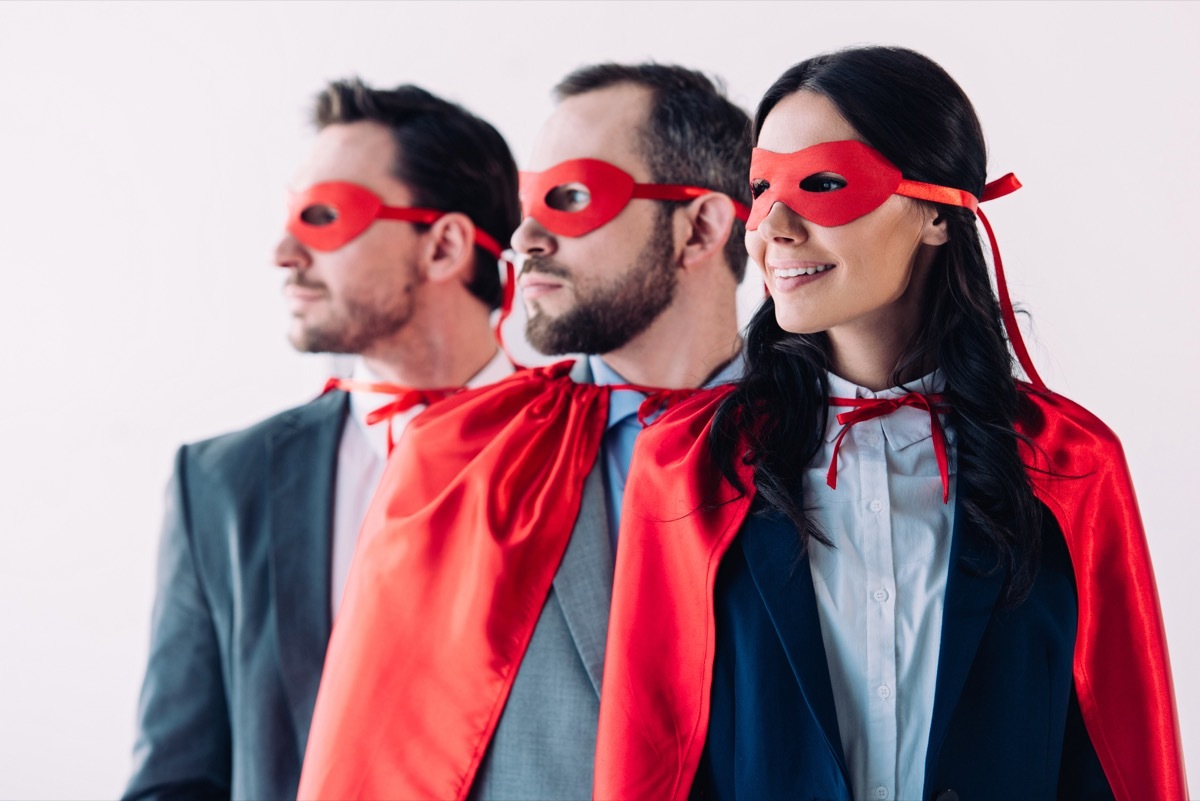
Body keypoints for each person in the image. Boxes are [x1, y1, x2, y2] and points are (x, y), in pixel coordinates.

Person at [595, 46, 1187, 801]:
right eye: (761, 187)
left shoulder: (1069, 460)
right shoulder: (685, 460)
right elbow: (647, 756)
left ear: (938, 211)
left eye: (824, 184)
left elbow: (1123, 748)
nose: (771, 225)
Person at [297, 63, 752, 801]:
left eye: (571, 197)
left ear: (700, 226)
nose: (526, 236)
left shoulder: (837, 443)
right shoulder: (458, 458)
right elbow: (380, 750)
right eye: (526, 202)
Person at [123, 78, 520, 801]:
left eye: (326, 215)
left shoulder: (593, 455)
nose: (284, 251)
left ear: (445, 246)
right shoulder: (218, 480)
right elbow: (174, 780)